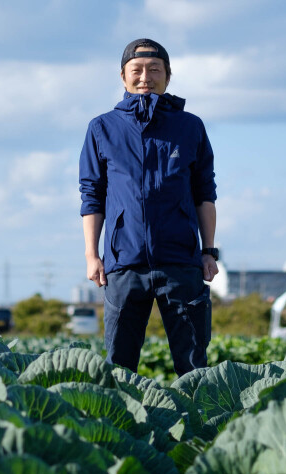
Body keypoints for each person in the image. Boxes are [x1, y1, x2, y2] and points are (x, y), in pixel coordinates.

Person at [79, 38, 219, 376]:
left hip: (181, 261)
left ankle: (199, 428)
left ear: (168, 76)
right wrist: (92, 255)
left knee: (193, 366)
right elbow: (92, 194)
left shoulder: (190, 127)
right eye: (137, 70)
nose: (146, 77)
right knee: (119, 365)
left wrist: (209, 250)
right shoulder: (102, 128)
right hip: (124, 262)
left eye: (154, 70)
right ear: (123, 77)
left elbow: (205, 193)